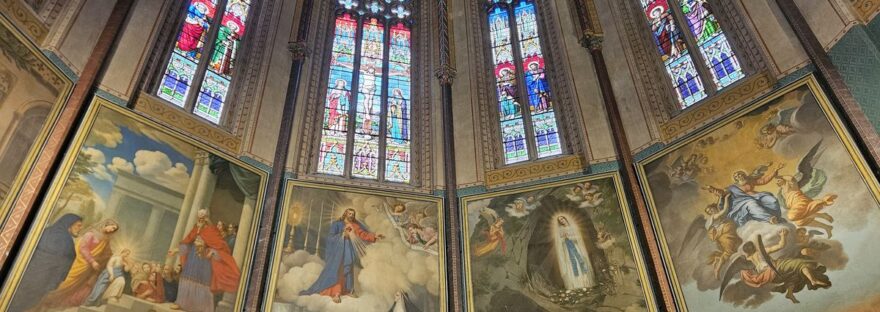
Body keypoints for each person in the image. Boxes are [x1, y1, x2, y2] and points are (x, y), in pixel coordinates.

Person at [300, 208, 384, 303]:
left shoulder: (355, 225)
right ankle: (336, 293)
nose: (351, 215)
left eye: (353, 214)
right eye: (350, 213)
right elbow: (331, 237)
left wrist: (374, 236)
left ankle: (348, 290)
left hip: (348, 250)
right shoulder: (337, 224)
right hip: (337, 251)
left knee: (347, 269)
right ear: (345, 214)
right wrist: (342, 235)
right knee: (338, 270)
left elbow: (363, 234)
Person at [34, 220, 119, 310]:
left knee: (77, 288)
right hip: (79, 263)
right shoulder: (91, 234)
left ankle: (55, 304)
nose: (112, 230)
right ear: (107, 224)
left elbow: (107, 253)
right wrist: (92, 261)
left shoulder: (106, 240)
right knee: (65, 282)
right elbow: (83, 248)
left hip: (89, 268)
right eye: (112, 227)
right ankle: (44, 300)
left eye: (114, 230)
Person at [8, 214, 83, 312]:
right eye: (78, 225)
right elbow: (61, 268)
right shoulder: (67, 242)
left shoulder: (46, 231)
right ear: (69, 224)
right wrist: (53, 285)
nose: (80, 228)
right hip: (40, 283)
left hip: (22, 276)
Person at [172, 209, 240, 311]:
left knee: (203, 280)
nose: (200, 220)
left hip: (204, 259)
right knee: (187, 276)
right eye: (199, 217)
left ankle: (201, 307)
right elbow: (187, 241)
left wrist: (209, 250)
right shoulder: (195, 228)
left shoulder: (212, 230)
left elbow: (221, 245)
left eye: (203, 217)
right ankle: (181, 303)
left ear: (207, 218)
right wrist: (177, 250)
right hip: (192, 257)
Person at [703, 163, 785, 226]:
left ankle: (777, 216)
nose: (738, 176)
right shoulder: (732, 187)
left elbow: (763, 181)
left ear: (743, 174)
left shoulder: (749, 180)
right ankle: (769, 219)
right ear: (735, 179)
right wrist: (711, 188)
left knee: (772, 200)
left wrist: (775, 170)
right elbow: (721, 193)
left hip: (757, 196)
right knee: (752, 204)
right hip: (744, 202)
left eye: (739, 174)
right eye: (736, 176)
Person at [554, 216, 595, 289]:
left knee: (580, 261)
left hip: (575, 246)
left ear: (565, 218)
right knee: (571, 262)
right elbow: (561, 241)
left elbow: (578, 238)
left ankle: (585, 283)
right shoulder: (561, 230)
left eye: (562, 219)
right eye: (560, 220)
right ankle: (577, 285)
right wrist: (564, 238)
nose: (562, 221)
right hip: (568, 247)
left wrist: (570, 237)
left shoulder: (573, 227)